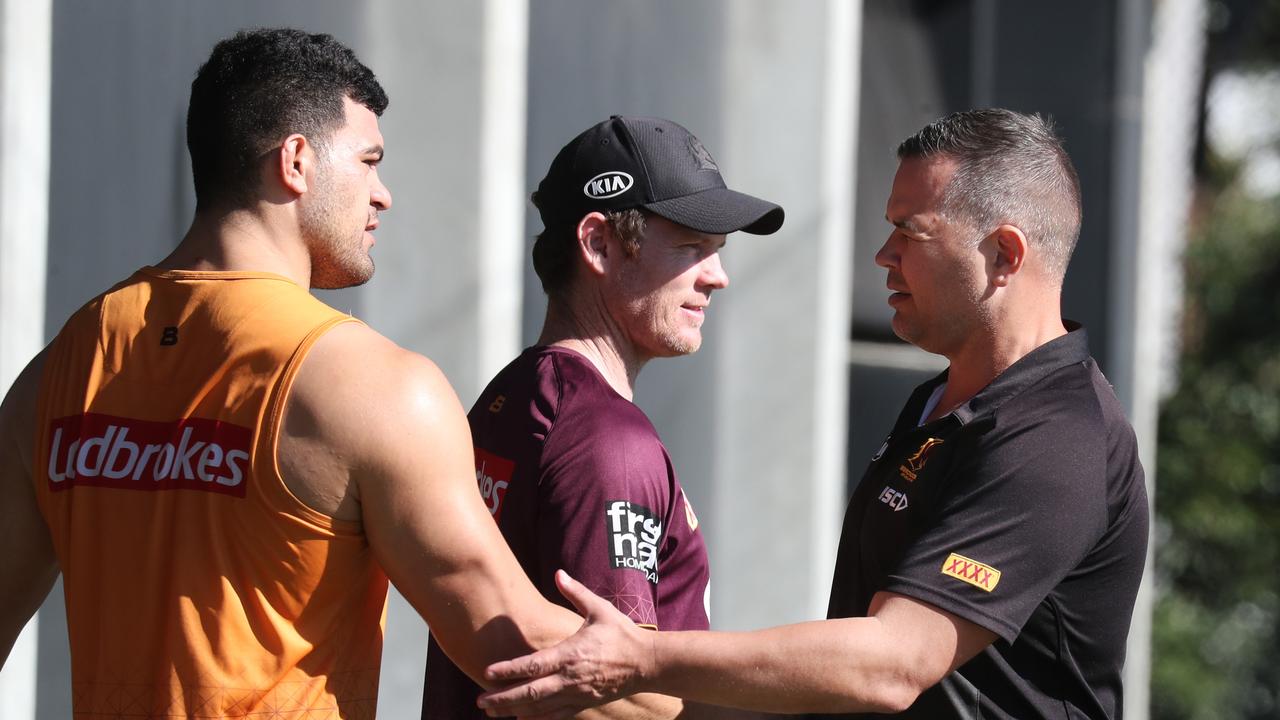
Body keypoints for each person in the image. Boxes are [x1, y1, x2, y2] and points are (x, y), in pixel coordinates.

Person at [475, 109, 1150, 720]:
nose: (883, 256)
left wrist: (640, 661)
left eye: (908, 233)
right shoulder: (940, 405)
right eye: (691, 246)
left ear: (1003, 255)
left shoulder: (1061, 438)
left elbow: (891, 665)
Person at [0, 28, 593, 718]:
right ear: (297, 161)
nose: (383, 196)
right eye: (369, 161)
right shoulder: (372, 386)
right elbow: (516, 646)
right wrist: (713, 687)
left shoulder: (64, 368)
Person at [422, 115, 785, 718]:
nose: (717, 277)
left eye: (717, 252)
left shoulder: (511, 393)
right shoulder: (609, 442)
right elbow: (619, 696)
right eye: (692, 247)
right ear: (598, 245)